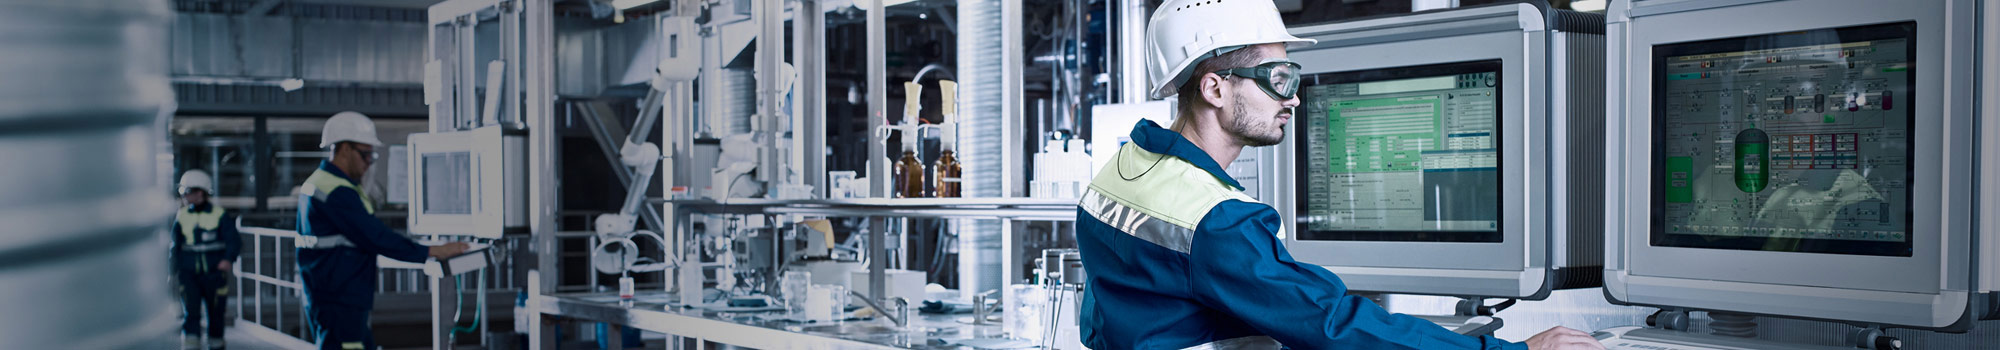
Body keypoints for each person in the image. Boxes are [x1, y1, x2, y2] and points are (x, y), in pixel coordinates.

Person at [1073, 1, 1606, 349]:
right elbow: (1331, 324)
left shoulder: (1124, 171)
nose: (1293, 98)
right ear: (1215, 88)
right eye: (1278, 78)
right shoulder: (1215, 222)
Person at [296, 111, 470, 350]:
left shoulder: (322, 183)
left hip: (333, 294)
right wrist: (431, 251)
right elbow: (375, 236)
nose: (369, 162)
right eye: (365, 154)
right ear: (344, 149)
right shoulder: (336, 191)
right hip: (340, 298)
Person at [172, 169, 242, 350]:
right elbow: (175, 245)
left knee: (216, 313)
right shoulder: (182, 215)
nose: (185, 196)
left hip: (214, 275)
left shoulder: (219, 215)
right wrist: (172, 270)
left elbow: (233, 241)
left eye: (187, 192)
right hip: (189, 275)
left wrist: (228, 259)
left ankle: (216, 344)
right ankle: (191, 345)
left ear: (200, 192)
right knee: (191, 312)